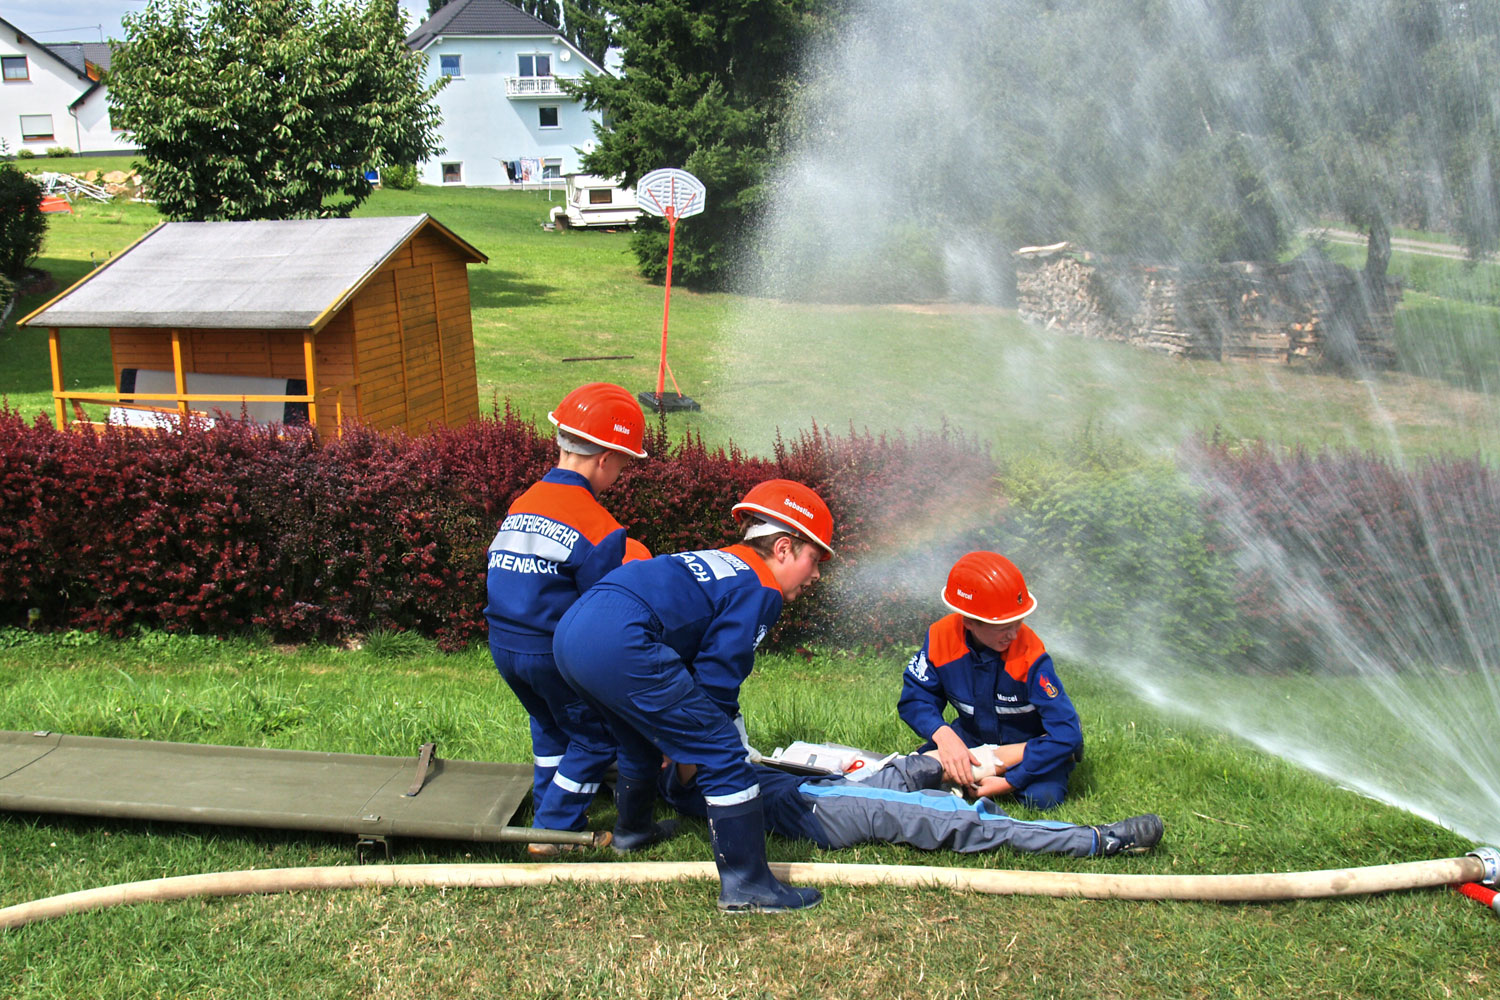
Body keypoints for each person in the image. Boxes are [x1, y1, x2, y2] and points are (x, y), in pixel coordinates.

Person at [554, 479, 834, 913]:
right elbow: (718, 676)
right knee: (720, 749)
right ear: (783, 549)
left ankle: (633, 832)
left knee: (634, 738)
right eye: (814, 558)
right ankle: (747, 886)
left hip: (574, 631)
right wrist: (701, 740)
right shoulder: (761, 588)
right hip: (620, 638)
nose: (816, 574)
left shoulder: (722, 562)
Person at [483, 382, 649, 856]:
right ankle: (553, 833)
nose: (622, 472)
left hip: (503, 644)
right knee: (595, 738)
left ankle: (547, 802)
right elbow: (598, 617)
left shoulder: (522, 504)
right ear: (604, 459)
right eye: (624, 463)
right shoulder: (601, 528)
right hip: (549, 651)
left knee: (550, 725)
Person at [661, 753, 1162, 857]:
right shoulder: (681, 782)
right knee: (951, 818)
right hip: (822, 808)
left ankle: (1026, 758)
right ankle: (1098, 839)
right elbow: (686, 754)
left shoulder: (685, 757)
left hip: (826, 785)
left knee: (926, 763)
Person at [898, 551, 1083, 809]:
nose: (1014, 634)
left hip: (1028, 747)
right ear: (970, 622)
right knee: (914, 773)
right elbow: (915, 699)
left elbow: (1067, 732)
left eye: (1018, 622)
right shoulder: (941, 638)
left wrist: (1011, 781)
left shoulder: (1032, 658)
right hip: (971, 737)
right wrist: (943, 735)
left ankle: (1053, 763)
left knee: (1041, 799)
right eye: (1002, 627)